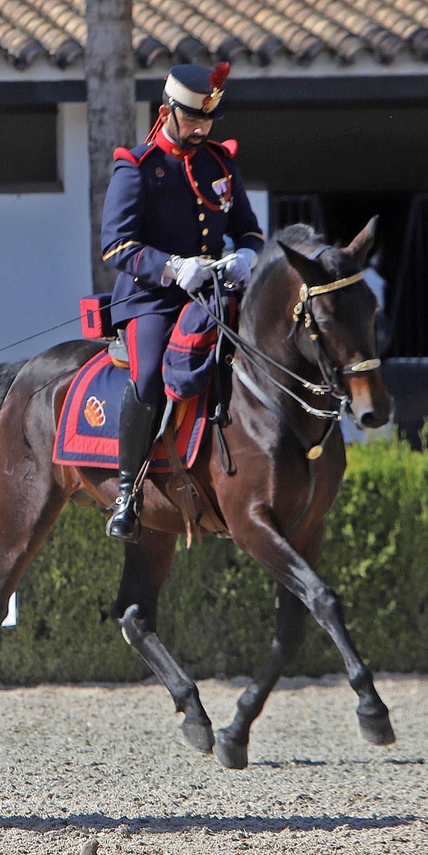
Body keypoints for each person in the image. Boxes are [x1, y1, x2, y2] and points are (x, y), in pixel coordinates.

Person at [97, 62, 265, 542]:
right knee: (148, 375)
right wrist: (173, 267)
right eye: (192, 119)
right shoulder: (138, 166)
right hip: (153, 299)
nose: (200, 129)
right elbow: (116, 246)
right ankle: (127, 492)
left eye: (208, 121)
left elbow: (248, 228)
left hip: (213, 290)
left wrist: (248, 255)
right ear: (167, 110)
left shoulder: (220, 162)